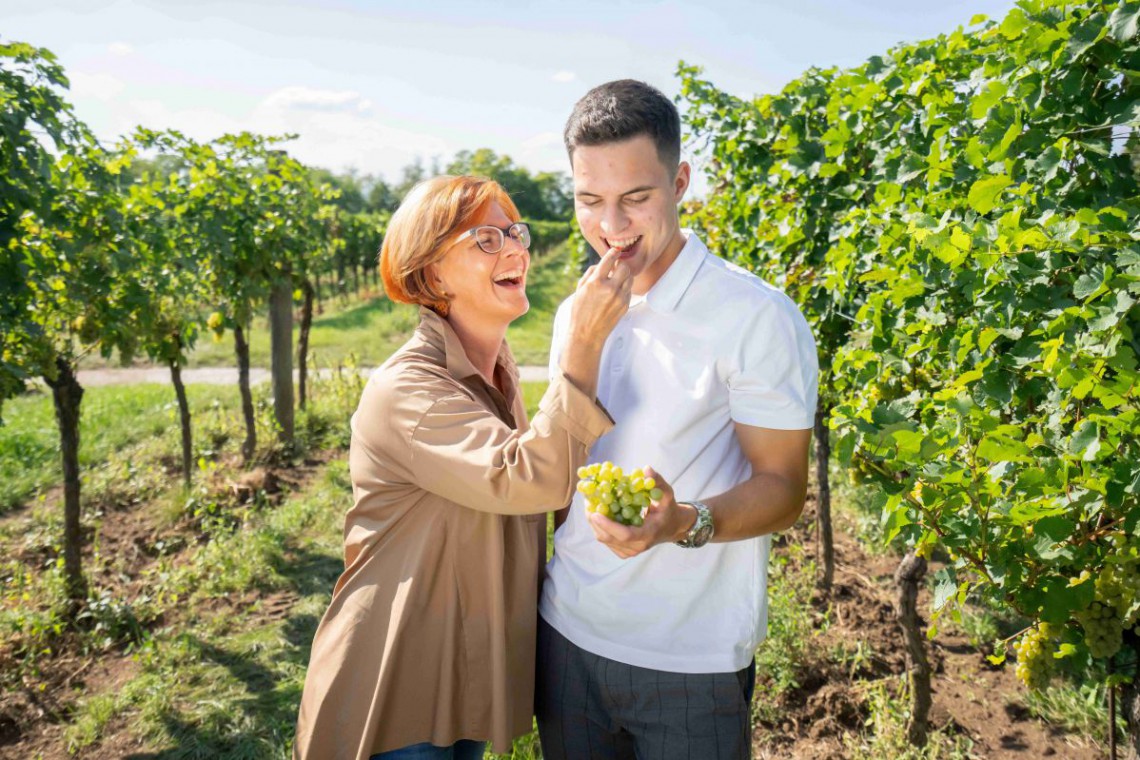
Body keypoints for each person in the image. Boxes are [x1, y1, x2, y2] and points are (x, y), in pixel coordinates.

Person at [292, 175, 632, 760]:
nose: (515, 249)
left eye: (515, 232)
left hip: (457, 679)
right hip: (398, 687)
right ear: (430, 274)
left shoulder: (496, 371)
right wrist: (582, 347)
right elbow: (526, 479)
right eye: (485, 238)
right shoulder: (409, 388)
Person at [536, 80, 819, 759]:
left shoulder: (755, 316)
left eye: (636, 197)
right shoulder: (574, 312)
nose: (612, 226)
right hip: (567, 632)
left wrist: (682, 522)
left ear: (681, 181)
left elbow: (783, 487)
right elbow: (557, 469)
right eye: (589, 201)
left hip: (688, 660)